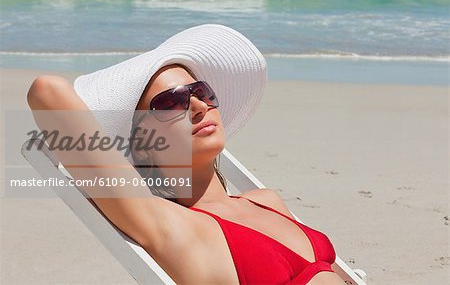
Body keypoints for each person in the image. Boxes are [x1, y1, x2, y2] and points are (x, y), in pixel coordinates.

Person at [27, 24, 345, 284]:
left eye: (201, 92)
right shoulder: (173, 227)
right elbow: (47, 91)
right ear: (143, 141)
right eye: (169, 103)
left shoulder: (266, 200)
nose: (198, 106)